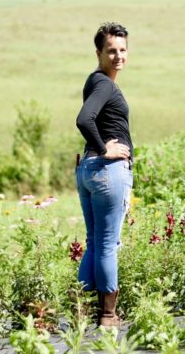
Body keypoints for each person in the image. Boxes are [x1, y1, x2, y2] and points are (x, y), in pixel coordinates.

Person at [75, 22, 133, 328]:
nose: (118, 56)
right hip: (107, 172)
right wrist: (104, 149)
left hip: (88, 170)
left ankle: (83, 311)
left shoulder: (95, 80)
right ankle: (108, 315)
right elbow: (84, 119)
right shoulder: (105, 85)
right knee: (108, 243)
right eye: (111, 50)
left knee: (96, 243)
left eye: (122, 50)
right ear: (98, 52)